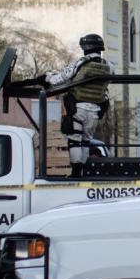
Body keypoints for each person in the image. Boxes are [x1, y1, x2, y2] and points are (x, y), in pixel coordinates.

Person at [45, 34, 112, 176]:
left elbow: (60, 78)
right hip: (95, 111)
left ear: (85, 48)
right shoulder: (108, 66)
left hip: (78, 108)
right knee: (86, 141)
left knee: (75, 140)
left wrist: (48, 77)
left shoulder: (81, 62)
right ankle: (84, 171)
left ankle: (76, 172)